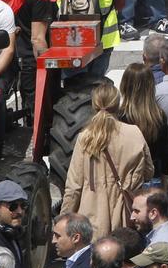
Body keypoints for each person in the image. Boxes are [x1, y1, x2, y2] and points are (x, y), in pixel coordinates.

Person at [61, 81, 153, 238]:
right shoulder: (134, 133)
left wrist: (63, 220)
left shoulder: (85, 138)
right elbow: (149, 172)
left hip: (91, 220)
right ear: (118, 105)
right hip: (125, 217)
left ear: (94, 105)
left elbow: (74, 187)